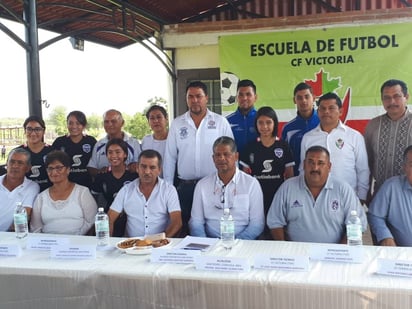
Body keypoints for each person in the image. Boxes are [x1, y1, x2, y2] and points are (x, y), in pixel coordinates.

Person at [163, 81, 233, 235]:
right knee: (185, 229)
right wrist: (168, 189)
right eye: (190, 97)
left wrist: (232, 184)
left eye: (198, 96)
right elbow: (170, 157)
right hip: (186, 188)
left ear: (206, 98)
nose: (195, 100)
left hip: (214, 186)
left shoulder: (220, 122)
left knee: (213, 227)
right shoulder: (177, 124)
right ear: (186, 99)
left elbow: (231, 155)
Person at [267, 145, 367, 243]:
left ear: (329, 166)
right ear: (304, 164)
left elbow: (357, 226)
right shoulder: (288, 187)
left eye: (320, 163)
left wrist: (340, 252)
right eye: (311, 162)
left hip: (333, 255)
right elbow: (275, 222)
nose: (315, 168)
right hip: (296, 254)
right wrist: (284, 248)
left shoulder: (343, 189)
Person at [189, 136, 265, 240]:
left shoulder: (251, 184)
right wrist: (204, 243)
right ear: (213, 158)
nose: (221, 158)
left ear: (236, 156)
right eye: (218, 155)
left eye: (226, 154)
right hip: (210, 244)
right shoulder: (202, 185)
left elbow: (257, 224)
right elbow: (196, 222)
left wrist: (236, 243)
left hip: (242, 244)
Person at [300, 92, 369, 203]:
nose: (326, 112)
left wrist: (362, 197)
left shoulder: (354, 136)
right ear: (318, 112)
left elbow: (363, 169)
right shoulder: (308, 138)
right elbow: (303, 169)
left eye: (331, 108)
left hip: (348, 198)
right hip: (316, 199)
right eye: (322, 108)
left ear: (340, 111)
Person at [240, 106, 294, 238]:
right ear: (256, 124)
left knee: (277, 231)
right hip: (257, 197)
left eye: (268, 122)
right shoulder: (250, 147)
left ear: (275, 123)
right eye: (261, 123)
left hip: (278, 197)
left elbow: (290, 175)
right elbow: (244, 176)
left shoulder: (283, 146)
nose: (264, 127)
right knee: (259, 231)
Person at [108, 149, 182, 237]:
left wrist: (161, 241)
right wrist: (107, 243)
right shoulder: (126, 190)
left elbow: (177, 222)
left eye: (152, 167)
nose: (147, 172)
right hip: (131, 246)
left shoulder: (169, 190)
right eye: (143, 166)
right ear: (137, 168)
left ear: (159, 170)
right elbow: (109, 218)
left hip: (160, 246)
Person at [364, 79, 412, 198]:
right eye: (386, 97)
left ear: (406, 97)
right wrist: (366, 193)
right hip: (380, 194)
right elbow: (367, 162)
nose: (392, 102)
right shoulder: (373, 125)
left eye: (397, 96)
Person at [30, 150, 97, 235]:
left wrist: (76, 239)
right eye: (50, 168)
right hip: (48, 244)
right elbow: (35, 228)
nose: (54, 172)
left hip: (77, 243)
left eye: (59, 168)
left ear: (68, 170)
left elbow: (91, 222)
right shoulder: (41, 198)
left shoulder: (82, 193)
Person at [91, 138, 138, 236]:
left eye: (118, 152)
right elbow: (97, 202)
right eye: (110, 152)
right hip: (110, 219)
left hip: (132, 220)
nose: (114, 156)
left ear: (125, 154)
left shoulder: (134, 176)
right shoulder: (102, 176)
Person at [367, 145, 412, 246]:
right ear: (404, 167)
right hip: (399, 255)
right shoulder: (392, 186)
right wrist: (385, 236)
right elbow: (375, 215)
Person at [87, 109, 141, 178]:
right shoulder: (99, 145)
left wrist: (135, 166)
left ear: (122, 123)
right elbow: (91, 167)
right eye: (106, 122)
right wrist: (100, 172)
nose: (109, 124)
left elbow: (141, 165)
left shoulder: (133, 144)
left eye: (113, 121)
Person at [281, 82, 320, 175]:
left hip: (322, 177)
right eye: (299, 98)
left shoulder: (323, 123)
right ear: (294, 100)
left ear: (313, 98)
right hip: (298, 179)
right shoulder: (288, 129)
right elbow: (285, 157)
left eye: (307, 96)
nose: (303, 101)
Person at [52, 111, 97, 188]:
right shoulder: (59, 142)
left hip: (87, 186)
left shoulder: (91, 141)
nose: (74, 126)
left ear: (84, 125)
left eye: (78, 123)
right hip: (65, 186)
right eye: (70, 123)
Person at [0, 148, 39, 232]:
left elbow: (21, 220)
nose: (15, 166)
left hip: (9, 237)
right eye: (12, 162)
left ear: (28, 168)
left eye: (20, 163)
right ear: (6, 164)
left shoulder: (31, 187)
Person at [16, 116, 53, 191]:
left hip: (49, 197)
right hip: (25, 197)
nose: (33, 133)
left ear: (43, 131)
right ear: (25, 131)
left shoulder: (53, 151)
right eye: (29, 129)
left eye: (37, 129)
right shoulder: (17, 153)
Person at [226, 79, 259, 153]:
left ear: (255, 97)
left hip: (258, 163)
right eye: (241, 95)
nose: (244, 98)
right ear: (236, 98)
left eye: (248, 94)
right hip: (235, 164)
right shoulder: (227, 121)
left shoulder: (262, 119)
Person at [141, 105, 168, 172]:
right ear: (148, 122)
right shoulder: (146, 140)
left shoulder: (174, 139)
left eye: (159, 117)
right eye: (152, 118)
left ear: (166, 119)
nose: (156, 121)